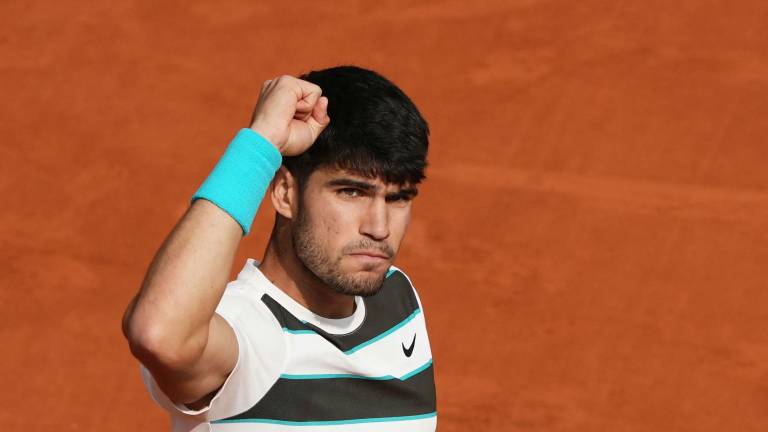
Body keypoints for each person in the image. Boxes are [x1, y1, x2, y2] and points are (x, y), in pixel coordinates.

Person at [122, 65, 437, 431]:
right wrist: (260, 145)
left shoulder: (398, 300)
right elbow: (159, 335)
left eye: (398, 198)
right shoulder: (249, 334)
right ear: (285, 193)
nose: (379, 228)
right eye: (351, 192)